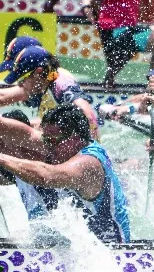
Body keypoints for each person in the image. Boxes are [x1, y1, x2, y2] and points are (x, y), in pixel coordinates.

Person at [0, 104, 130, 243]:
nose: (47, 145)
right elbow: (27, 134)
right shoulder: (61, 143)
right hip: (77, 248)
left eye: (52, 140)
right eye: (46, 139)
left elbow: (47, 176)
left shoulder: (88, 163)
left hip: (111, 252)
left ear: (75, 138)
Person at [1, 45, 99, 137]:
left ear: (38, 72)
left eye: (22, 79)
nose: (20, 84)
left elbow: (89, 116)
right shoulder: (47, 83)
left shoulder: (61, 85)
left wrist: (90, 152)